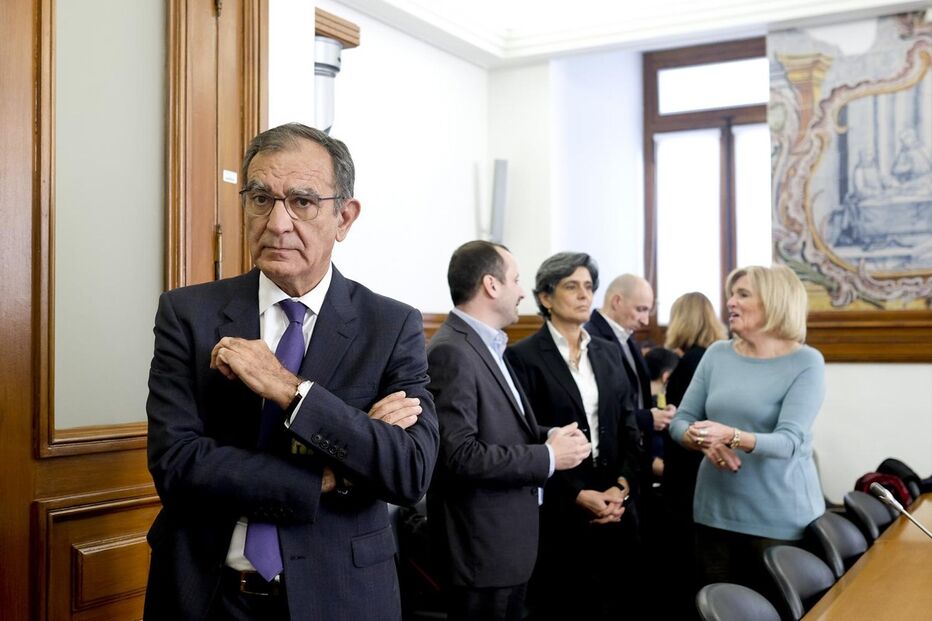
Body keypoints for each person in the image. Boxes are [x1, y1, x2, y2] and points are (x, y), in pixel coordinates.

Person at [144, 123, 439, 621]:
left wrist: (288, 388)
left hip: (340, 595)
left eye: (302, 202)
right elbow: (177, 465)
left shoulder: (390, 325)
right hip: (206, 594)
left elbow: (409, 471)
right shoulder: (187, 314)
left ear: (344, 217)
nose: (277, 222)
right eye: (261, 198)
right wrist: (331, 478)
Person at [426, 241, 591, 621]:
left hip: (505, 548)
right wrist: (548, 456)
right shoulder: (452, 351)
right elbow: (457, 455)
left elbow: (502, 428)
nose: (522, 291)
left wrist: (550, 436)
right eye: (516, 280)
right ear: (491, 285)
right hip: (481, 552)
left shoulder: (488, 345)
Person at [669, 266, 825, 600]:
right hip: (715, 513)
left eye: (743, 294)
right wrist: (703, 440)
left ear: (774, 302)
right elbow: (680, 421)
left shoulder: (807, 362)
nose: (730, 302)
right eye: (731, 293)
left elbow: (790, 442)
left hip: (780, 519)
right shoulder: (717, 354)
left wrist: (732, 436)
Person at [505, 252, 641, 621]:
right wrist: (577, 494)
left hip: (617, 500)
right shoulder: (523, 357)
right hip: (561, 506)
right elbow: (527, 438)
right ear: (546, 298)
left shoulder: (610, 352)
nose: (584, 295)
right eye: (571, 286)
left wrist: (623, 485)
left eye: (589, 287)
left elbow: (629, 425)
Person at [659, 292, 727, 619]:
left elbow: (681, 419)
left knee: (684, 562)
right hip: (704, 466)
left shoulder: (689, 362)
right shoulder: (716, 357)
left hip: (686, 471)